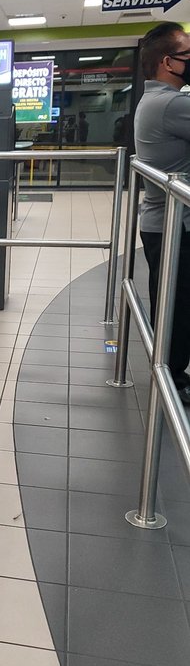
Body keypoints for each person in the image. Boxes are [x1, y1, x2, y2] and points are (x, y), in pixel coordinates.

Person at [134, 21, 190, 405]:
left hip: (163, 223)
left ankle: (169, 373)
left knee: (172, 305)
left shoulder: (156, 101)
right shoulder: (170, 104)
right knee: (176, 309)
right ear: (168, 62)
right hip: (173, 225)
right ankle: (170, 381)